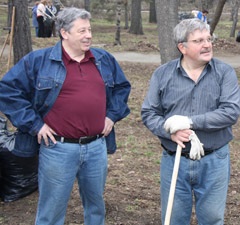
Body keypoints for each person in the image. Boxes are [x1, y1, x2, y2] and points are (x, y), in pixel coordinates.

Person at [0, 7, 131, 225]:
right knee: (51, 210)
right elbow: (8, 91)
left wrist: (111, 116)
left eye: (89, 30)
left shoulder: (103, 59)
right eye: (82, 31)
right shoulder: (38, 61)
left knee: (96, 205)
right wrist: (35, 125)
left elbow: (121, 87)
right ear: (64, 33)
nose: (88, 35)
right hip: (57, 149)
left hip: (97, 147)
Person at [141, 18, 240, 225]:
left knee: (212, 219)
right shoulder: (162, 74)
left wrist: (188, 121)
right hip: (174, 159)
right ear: (182, 47)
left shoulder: (224, 73)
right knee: (174, 218)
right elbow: (149, 112)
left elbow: (231, 112)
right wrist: (170, 131)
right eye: (198, 41)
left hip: (214, 160)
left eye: (208, 39)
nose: (207, 45)